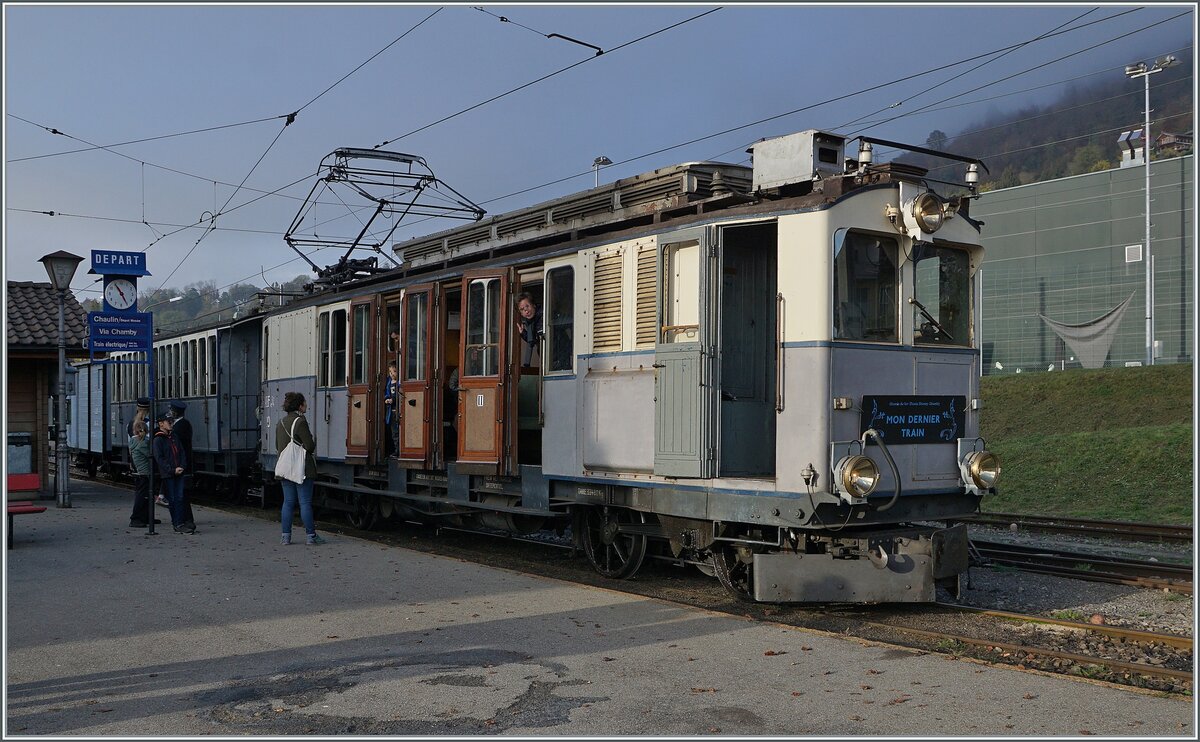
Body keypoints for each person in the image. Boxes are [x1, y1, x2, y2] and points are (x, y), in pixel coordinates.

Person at [275, 392, 325, 546]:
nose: (306, 405)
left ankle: (285, 537)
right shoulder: (300, 422)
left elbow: (278, 446)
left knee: (288, 502)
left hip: (286, 467)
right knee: (304, 503)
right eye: (304, 403)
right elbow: (309, 446)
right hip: (301, 468)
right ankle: (311, 536)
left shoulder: (280, 422)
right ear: (300, 405)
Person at [152, 412, 193, 534]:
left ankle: (180, 522)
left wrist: (182, 466)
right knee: (174, 499)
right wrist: (172, 470)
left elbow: (181, 452)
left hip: (178, 471)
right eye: (168, 421)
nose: (171, 423)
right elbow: (160, 459)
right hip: (169, 474)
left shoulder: (174, 437)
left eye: (171, 421)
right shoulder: (158, 439)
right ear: (161, 424)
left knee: (179, 498)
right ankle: (177, 523)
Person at [168, 400, 197, 530]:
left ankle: (186, 519)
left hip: (182, 465)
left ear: (174, 412)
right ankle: (183, 518)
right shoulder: (180, 425)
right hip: (181, 465)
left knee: (182, 494)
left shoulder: (181, 426)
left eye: (170, 411)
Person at [127, 421, 160, 528]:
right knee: (142, 496)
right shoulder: (143, 442)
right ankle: (136, 518)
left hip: (140, 471)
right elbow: (150, 455)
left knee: (145, 495)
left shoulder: (133, 440)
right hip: (145, 472)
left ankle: (145, 516)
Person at [515, 291, 543, 367]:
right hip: (547, 359)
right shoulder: (530, 322)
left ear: (533, 305)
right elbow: (533, 340)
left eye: (527, 306)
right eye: (522, 309)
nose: (526, 311)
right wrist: (523, 333)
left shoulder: (543, 315)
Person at [383, 362, 399, 457]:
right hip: (392, 411)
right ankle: (396, 449)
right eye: (390, 372)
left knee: (399, 431)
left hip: (399, 410)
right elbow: (387, 393)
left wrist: (393, 400)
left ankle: (399, 450)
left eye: (395, 371)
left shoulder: (399, 382)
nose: (392, 374)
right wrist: (386, 399)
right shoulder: (389, 382)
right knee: (394, 432)